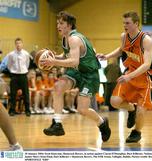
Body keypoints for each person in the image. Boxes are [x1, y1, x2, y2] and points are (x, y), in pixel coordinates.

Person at [40, 11, 111, 142]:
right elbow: (66, 56)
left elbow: (74, 61)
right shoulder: (65, 38)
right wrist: (54, 57)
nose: (58, 26)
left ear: (70, 25)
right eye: (57, 23)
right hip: (76, 72)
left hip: (89, 75)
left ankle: (102, 123)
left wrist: (54, 62)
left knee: (82, 109)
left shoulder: (74, 39)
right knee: (58, 87)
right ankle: (57, 123)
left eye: (61, 23)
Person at [97, 11, 152, 143]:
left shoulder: (146, 40)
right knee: (114, 101)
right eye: (124, 23)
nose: (125, 25)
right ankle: (131, 109)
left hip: (147, 78)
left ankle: (137, 132)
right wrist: (107, 56)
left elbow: (147, 65)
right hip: (131, 73)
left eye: (128, 23)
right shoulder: (124, 36)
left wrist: (129, 76)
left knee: (142, 111)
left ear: (136, 23)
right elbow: (121, 49)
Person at [7, 38, 31, 116]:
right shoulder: (11, 54)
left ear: (22, 44)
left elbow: (27, 64)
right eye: (17, 43)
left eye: (20, 43)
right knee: (13, 94)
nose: (18, 45)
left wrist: (23, 71)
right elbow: (9, 65)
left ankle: (27, 110)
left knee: (26, 94)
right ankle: (12, 110)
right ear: (15, 44)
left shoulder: (26, 54)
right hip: (14, 76)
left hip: (23, 75)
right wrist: (13, 71)